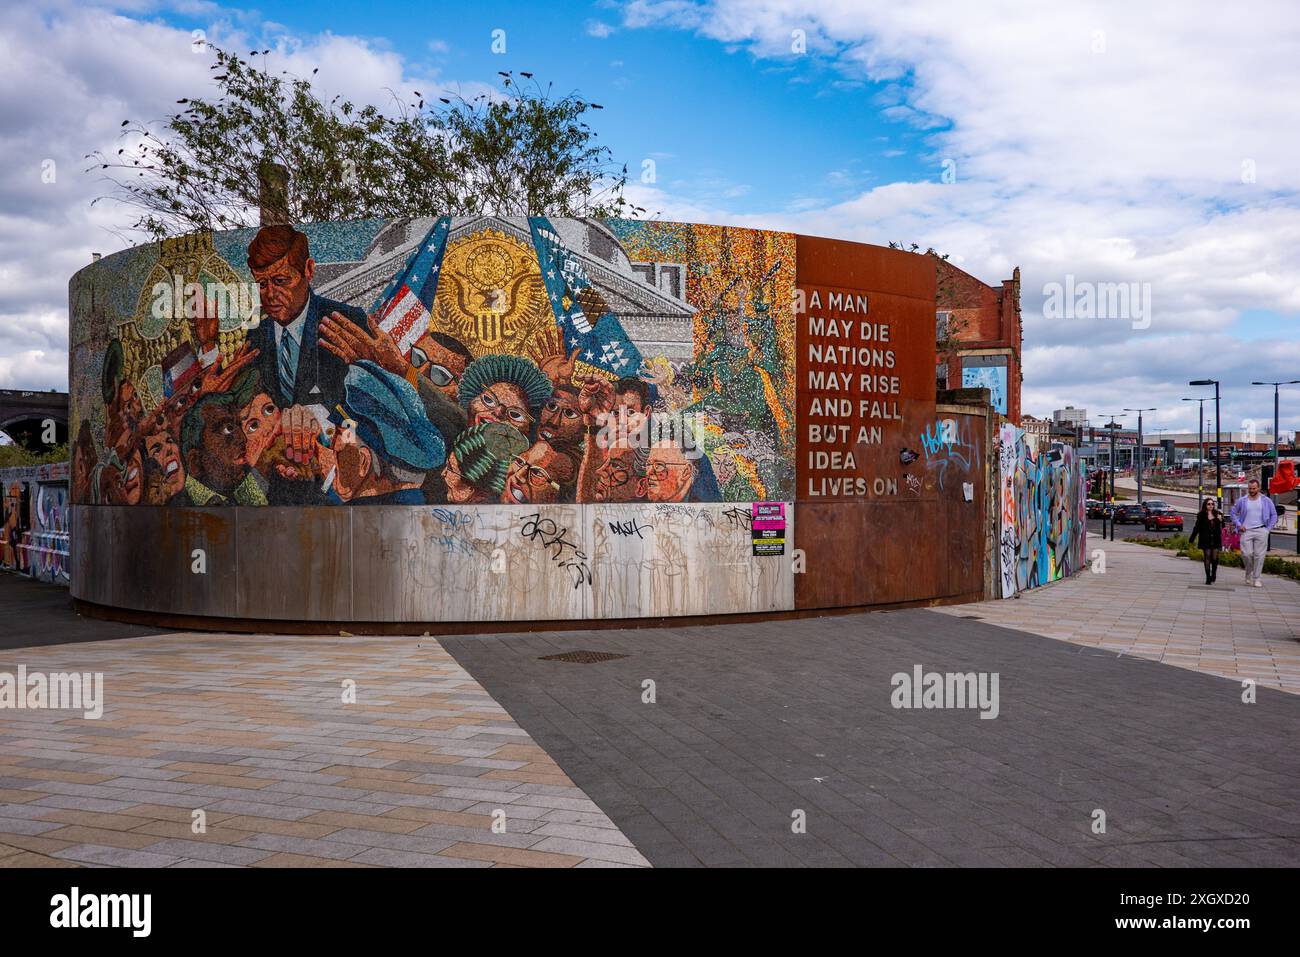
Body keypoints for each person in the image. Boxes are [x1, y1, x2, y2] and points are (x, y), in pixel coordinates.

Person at [1229, 479, 1277, 587]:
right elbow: (1233, 512)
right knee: (1246, 554)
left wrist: (1268, 529)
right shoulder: (1242, 500)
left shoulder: (1266, 500)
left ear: (1258, 488)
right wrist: (1238, 524)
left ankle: (1257, 579)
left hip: (1261, 530)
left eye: (1254, 488)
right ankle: (1248, 572)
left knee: (1259, 556)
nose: (1251, 490)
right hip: (1246, 530)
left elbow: (1274, 514)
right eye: (1250, 488)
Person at [1187, 497, 1225, 585]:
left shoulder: (1217, 513)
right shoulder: (1201, 515)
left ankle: (1214, 574)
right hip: (1205, 539)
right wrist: (1192, 538)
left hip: (1215, 539)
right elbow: (1197, 527)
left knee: (1214, 558)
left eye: (1212, 504)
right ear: (1205, 505)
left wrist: (1220, 520)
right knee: (1207, 556)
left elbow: (1222, 527)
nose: (1211, 505)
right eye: (1209, 504)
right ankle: (1208, 577)